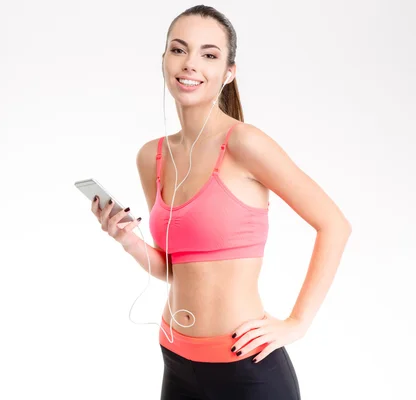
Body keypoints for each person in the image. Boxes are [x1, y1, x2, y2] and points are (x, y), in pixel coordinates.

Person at [90, 5, 351, 399]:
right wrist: (127, 240)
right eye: (179, 50)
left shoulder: (245, 144)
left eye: (209, 55)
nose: (190, 63)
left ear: (228, 72)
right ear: (164, 60)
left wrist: (297, 322)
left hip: (247, 368)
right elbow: (174, 268)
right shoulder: (152, 156)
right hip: (176, 360)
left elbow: (334, 224)